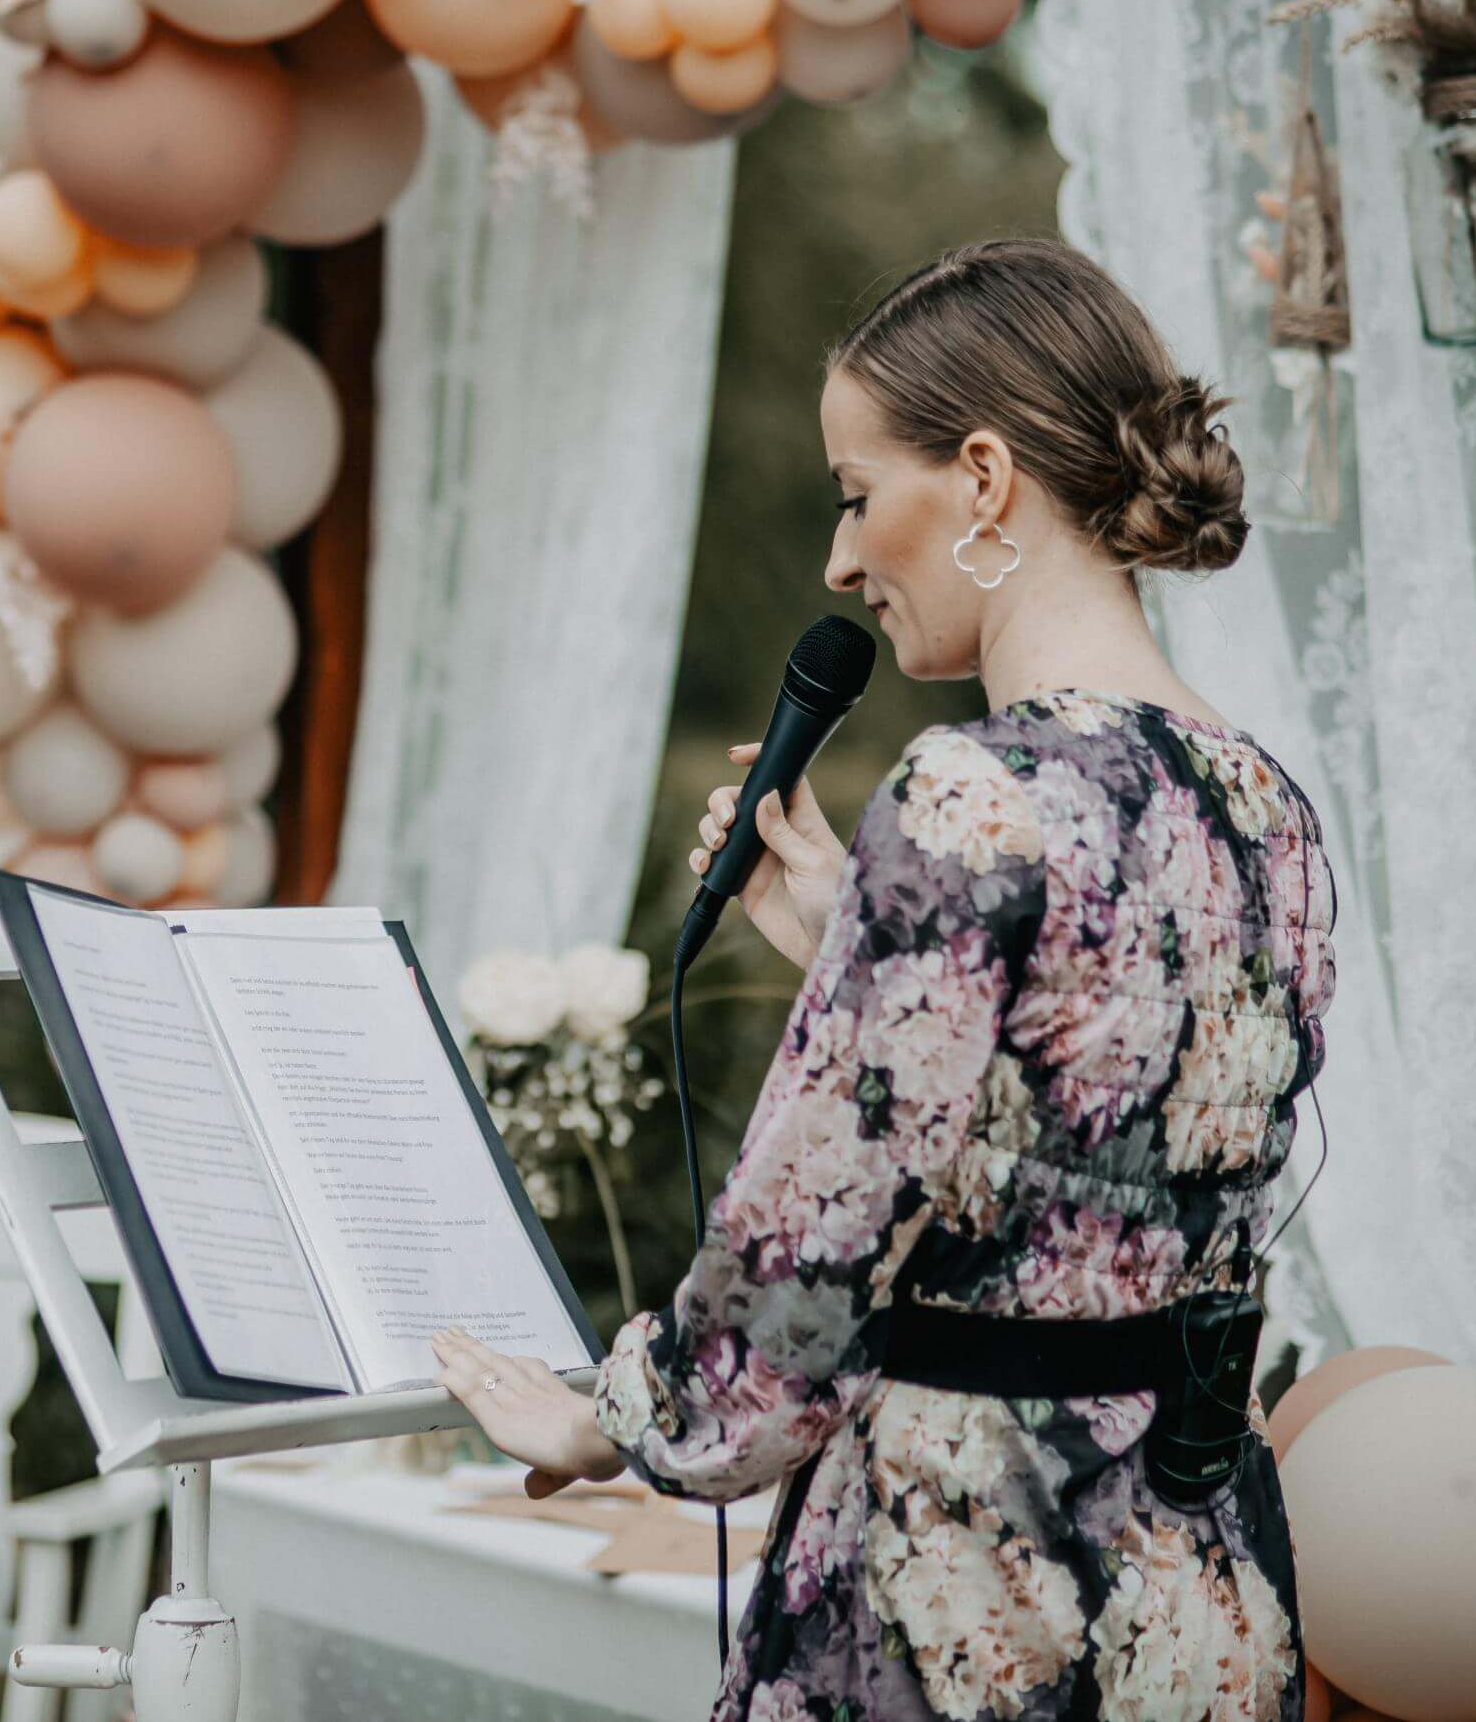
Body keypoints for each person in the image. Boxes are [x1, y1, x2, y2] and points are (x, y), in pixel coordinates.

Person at [434, 239, 1335, 1722]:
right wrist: (857, 945)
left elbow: (802, 1263)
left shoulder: (969, 795)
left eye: (856, 496)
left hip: (976, 1579)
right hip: (1193, 1591)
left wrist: (618, 1413)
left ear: (982, 478)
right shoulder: (1262, 802)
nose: (840, 564)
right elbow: (1100, 1143)